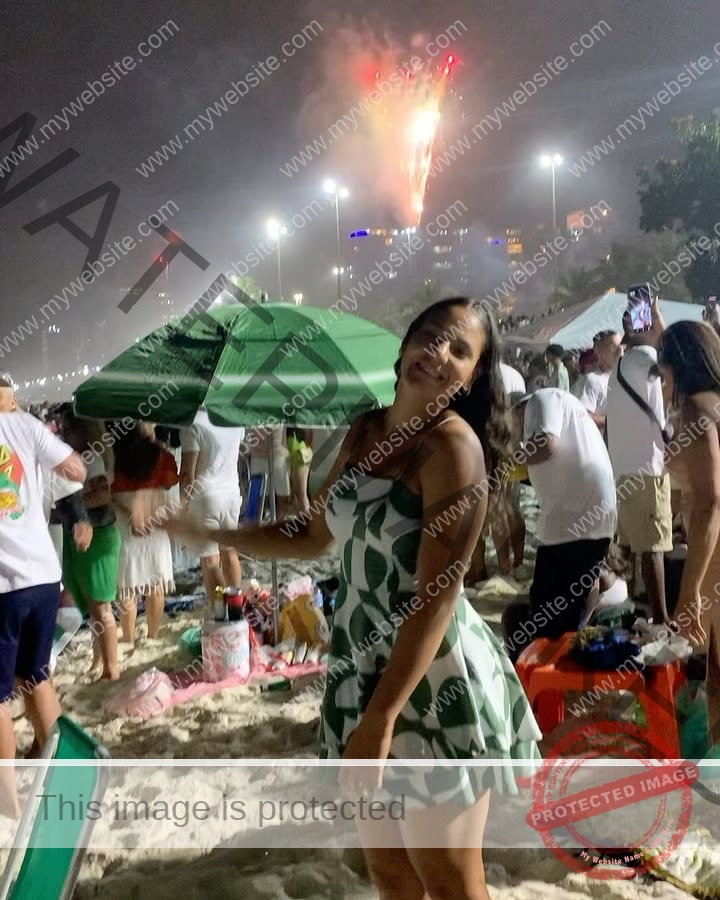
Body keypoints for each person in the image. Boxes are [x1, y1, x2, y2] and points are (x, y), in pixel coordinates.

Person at [154, 298, 541, 900]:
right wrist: (211, 533)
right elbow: (313, 536)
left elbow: (437, 600)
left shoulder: (453, 452)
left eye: (459, 351)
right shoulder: (366, 428)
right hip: (357, 665)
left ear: (473, 375)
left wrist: (382, 718)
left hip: (430, 677)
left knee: (449, 879)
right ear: (406, 343)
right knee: (389, 871)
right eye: (431, 337)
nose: (438, 355)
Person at [0, 378, 86, 813]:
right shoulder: (26, 426)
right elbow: (77, 470)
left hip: (3, 586)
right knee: (35, 676)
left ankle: (7, 803)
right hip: (43, 575)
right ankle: (62, 786)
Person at [502, 388, 616, 662]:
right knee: (561, 602)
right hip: (577, 519)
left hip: (575, 520)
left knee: (551, 614)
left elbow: (546, 444)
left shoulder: (542, 400)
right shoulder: (565, 408)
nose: (514, 436)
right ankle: (553, 666)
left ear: (515, 409)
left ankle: (547, 673)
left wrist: (504, 460)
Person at [657, 321, 720, 746]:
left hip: (714, 563)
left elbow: (711, 499)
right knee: (714, 672)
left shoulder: (697, 410)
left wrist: (691, 589)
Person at [606, 298, 672, 623]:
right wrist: (659, 328)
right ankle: (660, 619)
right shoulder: (647, 360)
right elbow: (679, 362)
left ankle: (626, 609)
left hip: (623, 469)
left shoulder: (620, 366)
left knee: (630, 545)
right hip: (648, 468)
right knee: (653, 546)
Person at [58, 410, 122, 680]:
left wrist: (74, 505)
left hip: (98, 532)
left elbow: (104, 495)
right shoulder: (92, 454)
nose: (62, 434)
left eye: (66, 429)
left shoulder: (91, 456)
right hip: (93, 533)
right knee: (94, 606)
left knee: (101, 606)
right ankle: (100, 662)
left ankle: (111, 668)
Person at [112, 423, 178, 644]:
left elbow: (109, 491)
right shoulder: (163, 457)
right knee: (155, 583)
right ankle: (152, 635)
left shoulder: (115, 456)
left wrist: (130, 514)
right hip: (155, 517)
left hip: (124, 521)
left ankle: (129, 639)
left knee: (127, 588)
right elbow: (170, 483)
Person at [180, 408, 245, 600]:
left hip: (205, 498)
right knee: (229, 551)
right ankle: (236, 606)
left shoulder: (193, 423)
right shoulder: (233, 416)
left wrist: (183, 506)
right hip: (232, 494)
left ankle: (221, 611)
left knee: (210, 561)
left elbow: (187, 473)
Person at [572, 332, 623, 430]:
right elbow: (581, 416)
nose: (620, 350)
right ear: (598, 351)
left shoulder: (625, 378)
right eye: (613, 346)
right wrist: (613, 422)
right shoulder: (591, 380)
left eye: (621, 345)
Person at [286, 427, 313, 517]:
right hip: (299, 450)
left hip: (298, 451)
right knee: (298, 495)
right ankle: (304, 523)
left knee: (300, 495)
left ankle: (307, 524)